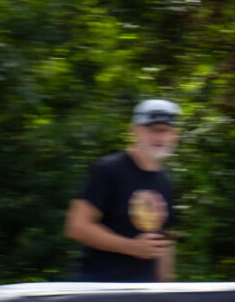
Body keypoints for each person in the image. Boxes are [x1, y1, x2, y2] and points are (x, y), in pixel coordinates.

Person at [64, 98, 180, 282]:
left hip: (145, 294)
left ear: (175, 135)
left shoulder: (166, 180)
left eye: (166, 130)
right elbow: (77, 227)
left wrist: (167, 290)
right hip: (101, 290)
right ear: (134, 131)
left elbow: (164, 243)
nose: (159, 137)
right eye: (152, 130)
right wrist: (131, 247)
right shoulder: (108, 169)